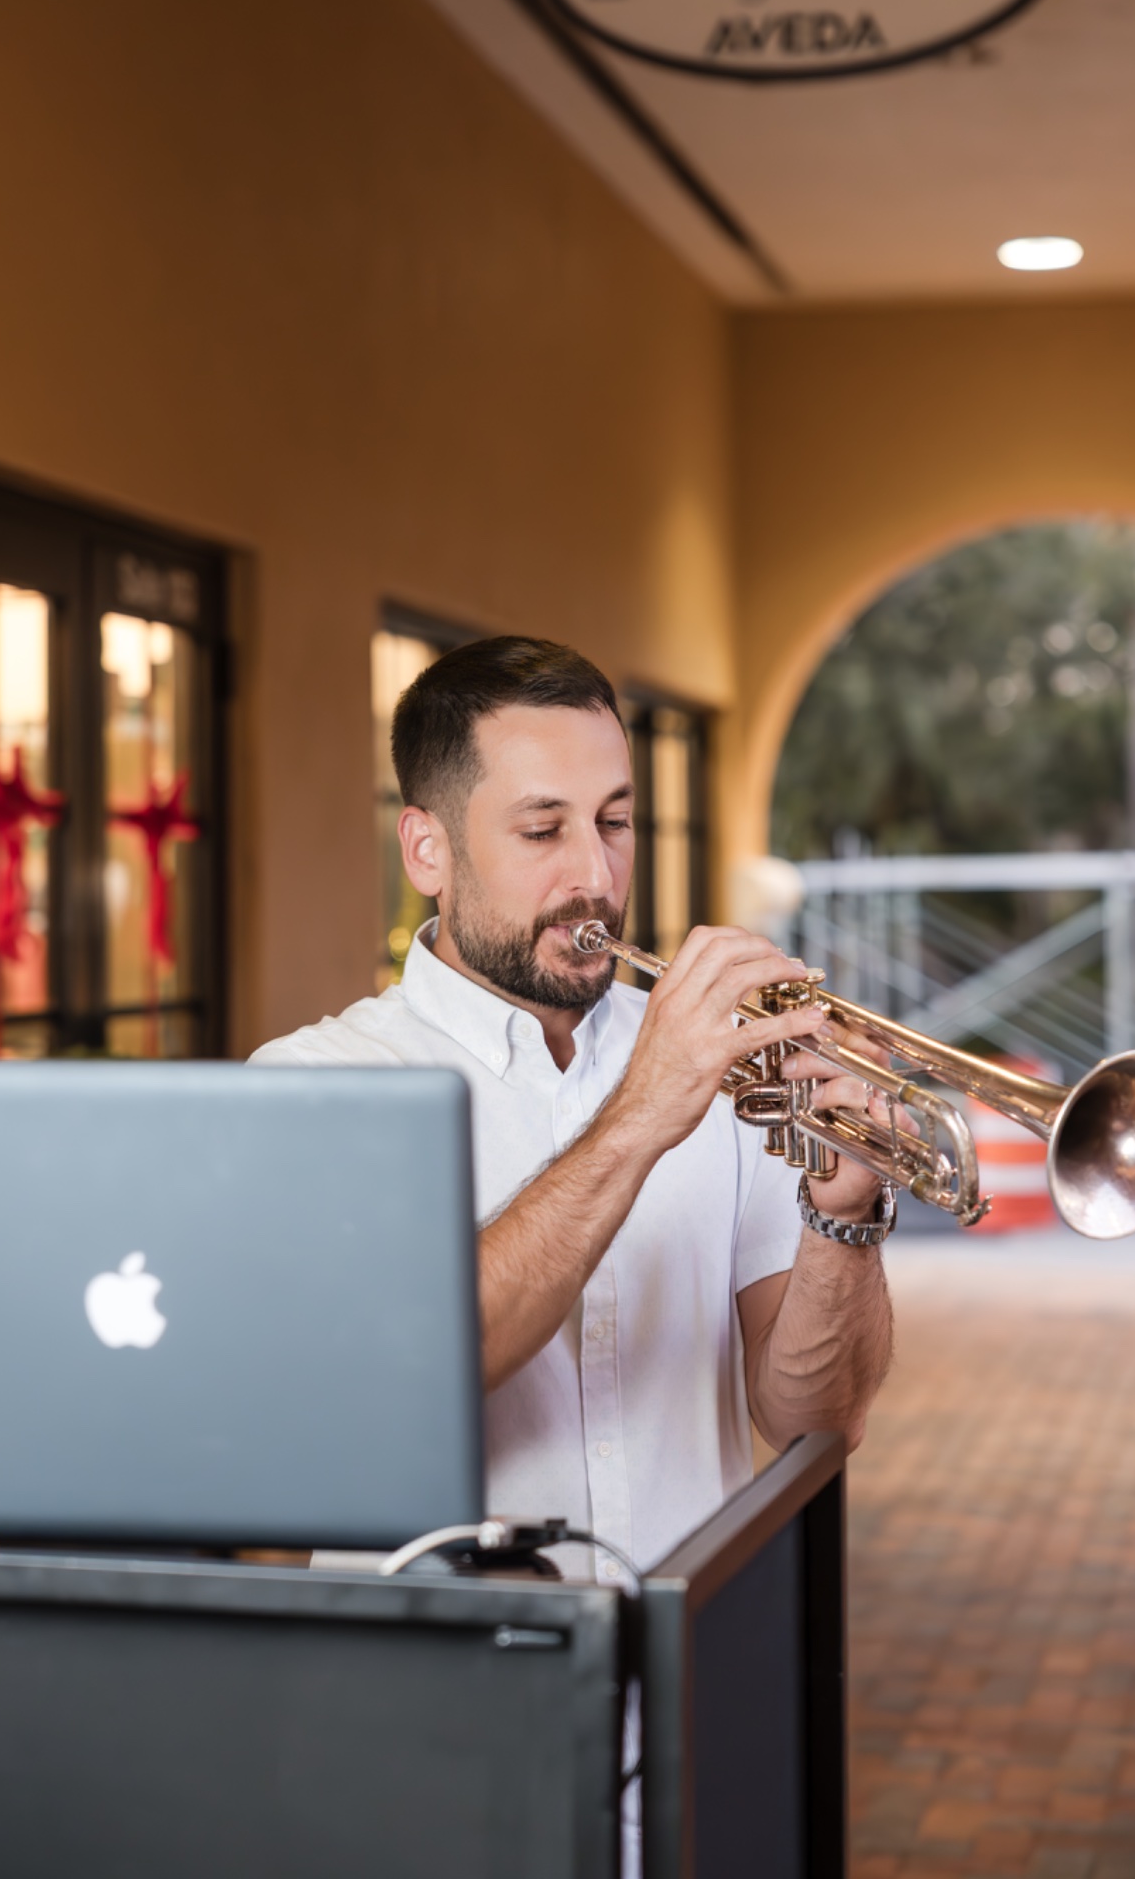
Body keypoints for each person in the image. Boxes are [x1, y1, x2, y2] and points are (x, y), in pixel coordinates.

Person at [251, 636, 894, 1578]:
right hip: (437, 1693)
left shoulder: (720, 1056)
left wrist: (844, 1220)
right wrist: (640, 1112)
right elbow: (409, 1371)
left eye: (616, 822)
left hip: (690, 1675)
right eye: (543, 830)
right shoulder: (317, 1082)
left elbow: (815, 1421)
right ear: (428, 849)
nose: (593, 873)